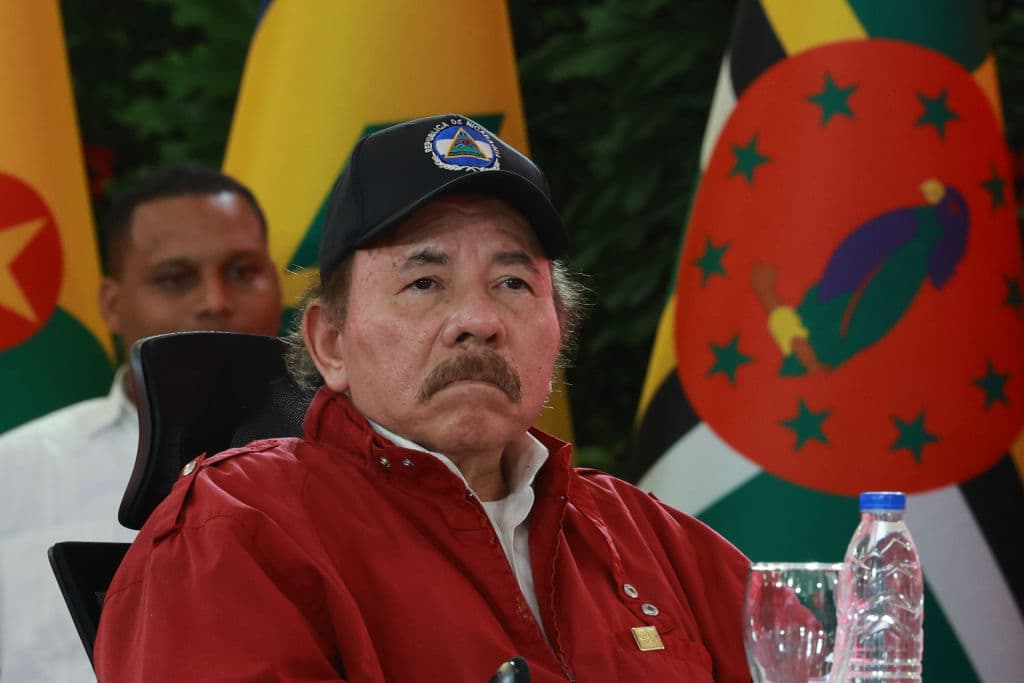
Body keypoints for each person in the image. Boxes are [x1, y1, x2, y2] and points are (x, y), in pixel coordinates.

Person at [94, 115, 751, 682]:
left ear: (560, 332)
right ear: (330, 344)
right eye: (425, 282)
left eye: (514, 282)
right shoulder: (236, 533)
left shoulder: (653, 541)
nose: (478, 319)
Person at [0, 164, 283, 682]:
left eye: (242, 271)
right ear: (112, 304)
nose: (215, 301)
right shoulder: (12, 478)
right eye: (174, 278)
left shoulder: (373, 459)